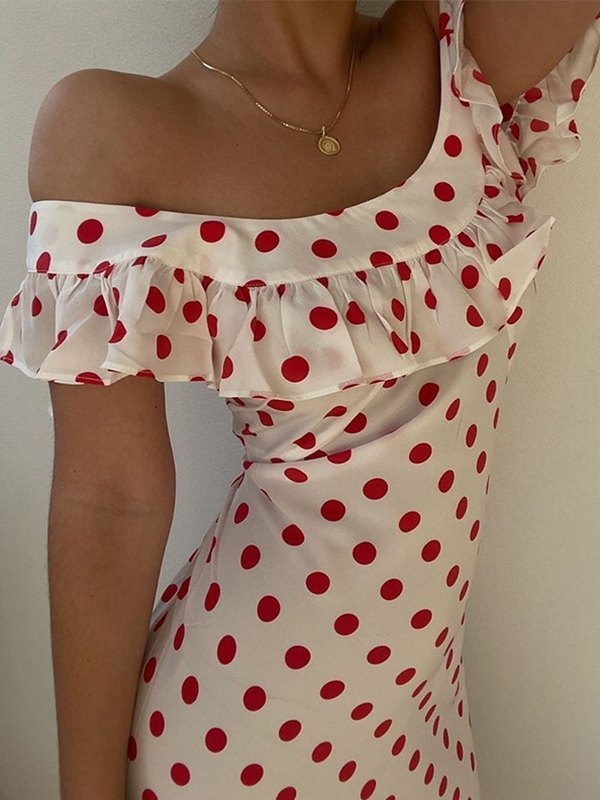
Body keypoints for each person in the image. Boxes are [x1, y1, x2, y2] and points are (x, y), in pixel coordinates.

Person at [1, 1, 600, 799]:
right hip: (230, 740)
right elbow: (110, 500)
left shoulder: (456, 55)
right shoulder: (109, 130)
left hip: (425, 731)